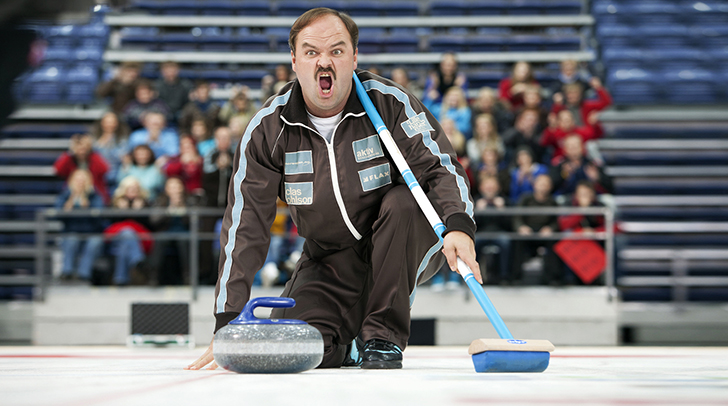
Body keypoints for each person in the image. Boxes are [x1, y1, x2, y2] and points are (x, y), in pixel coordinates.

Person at [187, 8, 479, 372]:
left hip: (399, 240)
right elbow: (245, 227)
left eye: (337, 51)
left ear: (354, 58)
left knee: (403, 201)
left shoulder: (389, 103)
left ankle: (382, 337)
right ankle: (349, 347)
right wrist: (227, 321)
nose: (324, 61)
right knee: (296, 349)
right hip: (327, 260)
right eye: (311, 52)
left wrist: (458, 226)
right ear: (294, 61)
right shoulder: (267, 130)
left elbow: (441, 167)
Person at [55, 169, 105, 283]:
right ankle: (67, 272)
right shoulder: (65, 195)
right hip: (71, 232)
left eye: (83, 180)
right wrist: (66, 209)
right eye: (78, 180)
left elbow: (100, 216)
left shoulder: (95, 196)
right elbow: (57, 215)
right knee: (71, 240)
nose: (80, 183)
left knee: (95, 242)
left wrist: (88, 208)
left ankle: (83, 274)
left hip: (91, 232)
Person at [510, 174, 561, 285]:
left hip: (544, 232)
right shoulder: (525, 199)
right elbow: (517, 216)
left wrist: (550, 228)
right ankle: (515, 277)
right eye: (541, 184)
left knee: (555, 241)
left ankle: (552, 278)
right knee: (516, 241)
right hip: (527, 231)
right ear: (535, 185)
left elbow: (556, 221)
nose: (543, 187)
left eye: (546, 184)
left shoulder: (553, 202)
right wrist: (521, 227)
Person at [147, 177, 196, 285]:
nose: (174, 190)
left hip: (184, 232)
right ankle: (154, 276)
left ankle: (188, 276)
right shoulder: (160, 200)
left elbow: (195, 221)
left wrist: (183, 208)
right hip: (166, 231)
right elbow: (154, 220)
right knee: (159, 241)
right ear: (166, 189)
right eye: (171, 187)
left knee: (184, 241)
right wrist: (169, 209)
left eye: (177, 186)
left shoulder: (189, 200)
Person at [105, 176, 152, 286]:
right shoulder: (115, 202)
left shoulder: (145, 203)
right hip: (116, 238)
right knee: (127, 233)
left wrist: (139, 211)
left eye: (135, 188)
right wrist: (121, 211)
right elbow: (109, 222)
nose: (132, 191)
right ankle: (138, 260)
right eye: (129, 188)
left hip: (139, 239)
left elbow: (149, 225)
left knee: (125, 244)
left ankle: (120, 279)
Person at [473, 175, 511, 285]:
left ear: (498, 188)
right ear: (481, 188)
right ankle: (475, 275)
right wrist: (478, 211)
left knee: (506, 242)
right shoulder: (475, 201)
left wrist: (502, 210)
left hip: (499, 233)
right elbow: (472, 224)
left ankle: (504, 276)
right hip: (480, 233)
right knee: (473, 242)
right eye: (487, 187)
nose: (490, 189)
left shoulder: (504, 201)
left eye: (492, 187)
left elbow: (509, 225)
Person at [54, 133, 110, 204]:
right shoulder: (70, 159)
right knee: (63, 198)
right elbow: (58, 169)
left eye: (84, 149)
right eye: (79, 149)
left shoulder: (93, 158)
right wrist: (69, 153)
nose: (81, 152)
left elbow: (104, 169)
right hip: (73, 191)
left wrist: (92, 152)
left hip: (92, 191)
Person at [92, 111, 130, 186]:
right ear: (102, 123)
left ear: (117, 124)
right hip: (98, 176)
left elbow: (124, 160)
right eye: (107, 122)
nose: (109, 125)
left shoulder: (123, 141)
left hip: (117, 176)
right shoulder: (94, 141)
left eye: (112, 122)